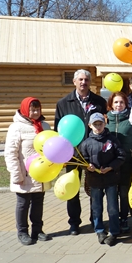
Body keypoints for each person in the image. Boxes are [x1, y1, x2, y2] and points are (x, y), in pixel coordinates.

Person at [54, 69, 107, 236]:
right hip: (72, 154)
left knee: (95, 189)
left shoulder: (99, 101)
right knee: (72, 189)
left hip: (95, 152)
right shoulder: (63, 104)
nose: (83, 82)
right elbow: (58, 130)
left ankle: (95, 219)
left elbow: (105, 126)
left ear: (90, 82)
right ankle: (74, 223)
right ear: (74, 82)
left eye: (86, 79)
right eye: (80, 79)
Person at [4, 97, 52, 246]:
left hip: (41, 173)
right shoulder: (16, 128)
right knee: (23, 204)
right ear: (25, 109)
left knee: (38, 203)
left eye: (38, 109)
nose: (36, 112)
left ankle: (38, 230)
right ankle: (23, 232)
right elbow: (11, 153)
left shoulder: (45, 125)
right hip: (24, 174)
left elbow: (51, 147)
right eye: (32, 109)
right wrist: (17, 174)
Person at [79, 113, 126, 246]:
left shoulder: (112, 140)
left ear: (105, 124)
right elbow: (83, 160)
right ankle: (99, 230)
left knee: (112, 207)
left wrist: (111, 167)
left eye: (100, 124)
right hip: (94, 180)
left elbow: (121, 156)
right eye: (95, 124)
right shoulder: (86, 143)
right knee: (96, 207)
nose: (98, 127)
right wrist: (88, 167)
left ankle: (114, 231)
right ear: (90, 126)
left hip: (110, 179)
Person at [106, 92, 132, 233]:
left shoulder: (131, 122)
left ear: (126, 104)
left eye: (121, 102)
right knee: (112, 193)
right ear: (111, 104)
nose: (118, 105)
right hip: (110, 165)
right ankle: (114, 219)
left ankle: (124, 218)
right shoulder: (106, 122)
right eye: (116, 102)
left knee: (124, 193)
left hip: (127, 163)